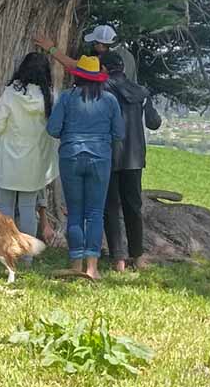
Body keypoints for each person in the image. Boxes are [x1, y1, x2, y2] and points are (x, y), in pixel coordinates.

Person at [46, 56, 125, 280]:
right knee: (95, 213)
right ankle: (92, 268)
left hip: (71, 156)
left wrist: (70, 136)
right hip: (100, 158)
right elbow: (119, 133)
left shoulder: (67, 97)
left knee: (75, 212)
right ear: (99, 78)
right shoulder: (109, 100)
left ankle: (76, 263)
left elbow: (52, 129)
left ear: (77, 76)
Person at [0, 53, 59, 244]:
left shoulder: (11, 93)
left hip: (7, 159)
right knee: (28, 207)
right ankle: (27, 254)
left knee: (6, 207)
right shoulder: (50, 96)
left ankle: (7, 249)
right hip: (35, 162)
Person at [100, 52, 161, 272]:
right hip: (134, 157)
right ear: (123, 68)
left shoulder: (102, 89)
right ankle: (137, 255)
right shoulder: (141, 91)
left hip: (109, 154)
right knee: (133, 206)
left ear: (104, 69)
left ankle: (118, 258)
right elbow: (154, 123)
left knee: (110, 206)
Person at [35, 24, 137, 82]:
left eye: (94, 43)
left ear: (101, 45)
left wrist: (51, 48)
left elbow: (71, 64)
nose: (93, 46)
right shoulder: (126, 57)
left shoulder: (100, 60)